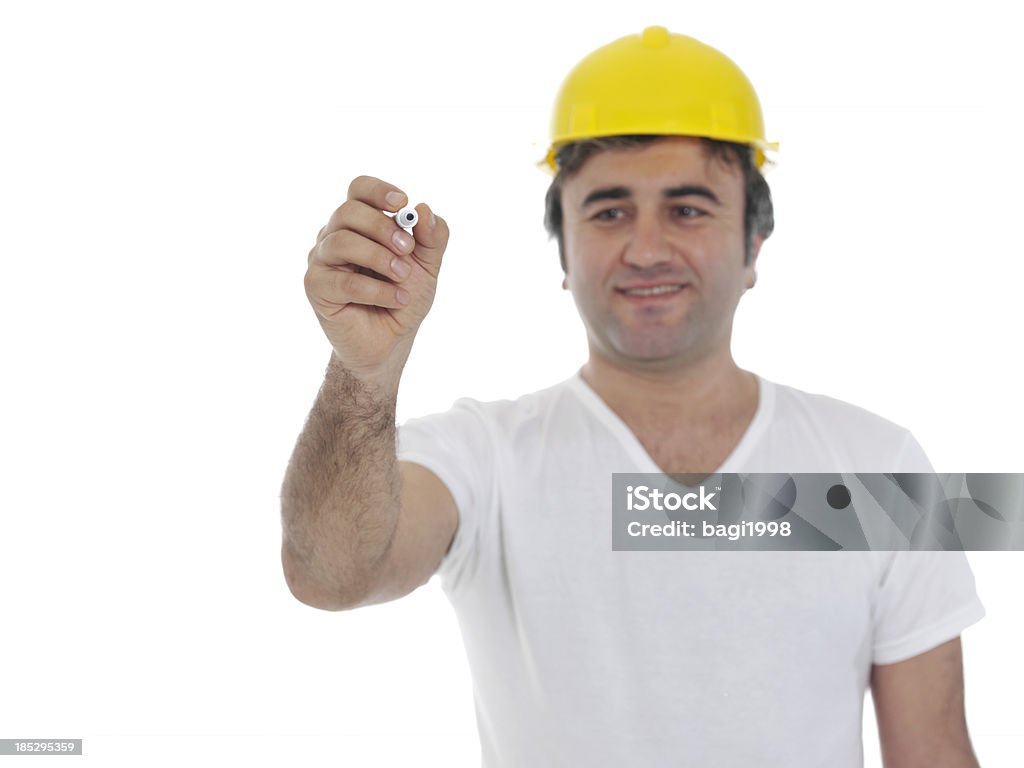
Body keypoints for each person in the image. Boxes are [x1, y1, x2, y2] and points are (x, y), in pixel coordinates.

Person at [281, 26, 985, 767]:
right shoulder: (484, 459)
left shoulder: (880, 469)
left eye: (688, 209)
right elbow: (328, 574)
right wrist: (365, 372)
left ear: (754, 246)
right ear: (563, 250)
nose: (646, 249)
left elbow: (934, 752)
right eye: (609, 211)